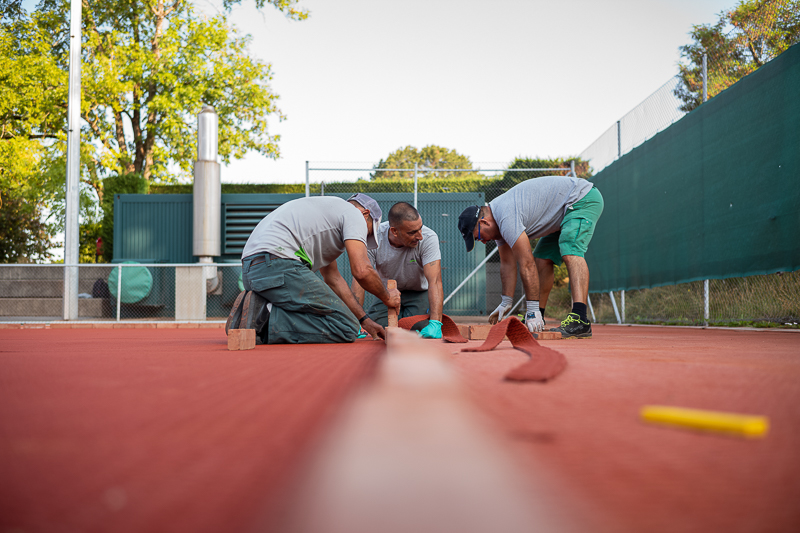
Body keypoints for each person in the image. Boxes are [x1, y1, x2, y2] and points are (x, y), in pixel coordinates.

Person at [231, 193, 401, 344]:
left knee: (340, 318)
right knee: (346, 327)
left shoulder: (325, 216)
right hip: (279, 264)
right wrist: (387, 298)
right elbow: (362, 271)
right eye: (369, 233)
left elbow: (334, 280)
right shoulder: (353, 214)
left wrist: (364, 320)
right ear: (366, 214)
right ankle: (265, 317)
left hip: (252, 270)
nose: (364, 237)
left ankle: (259, 308)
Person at [457, 176, 604, 339]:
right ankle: (537, 317)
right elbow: (507, 264)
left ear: (484, 223)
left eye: (478, 237)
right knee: (542, 258)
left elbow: (526, 264)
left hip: (581, 198)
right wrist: (506, 302)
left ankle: (580, 319)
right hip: (562, 211)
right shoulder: (498, 224)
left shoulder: (505, 216)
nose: (483, 242)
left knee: (570, 250)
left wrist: (531, 308)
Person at [351, 202, 444, 339]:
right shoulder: (374, 238)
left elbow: (435, 281)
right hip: (386, 294)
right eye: (412, 232)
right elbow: (360, 279)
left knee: (419, 328)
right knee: (377, 330)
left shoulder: (429, 238)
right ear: (394, 231)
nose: (420, 236)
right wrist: (356, 320)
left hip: (418, 292)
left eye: (420, 228)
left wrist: (436, 322)